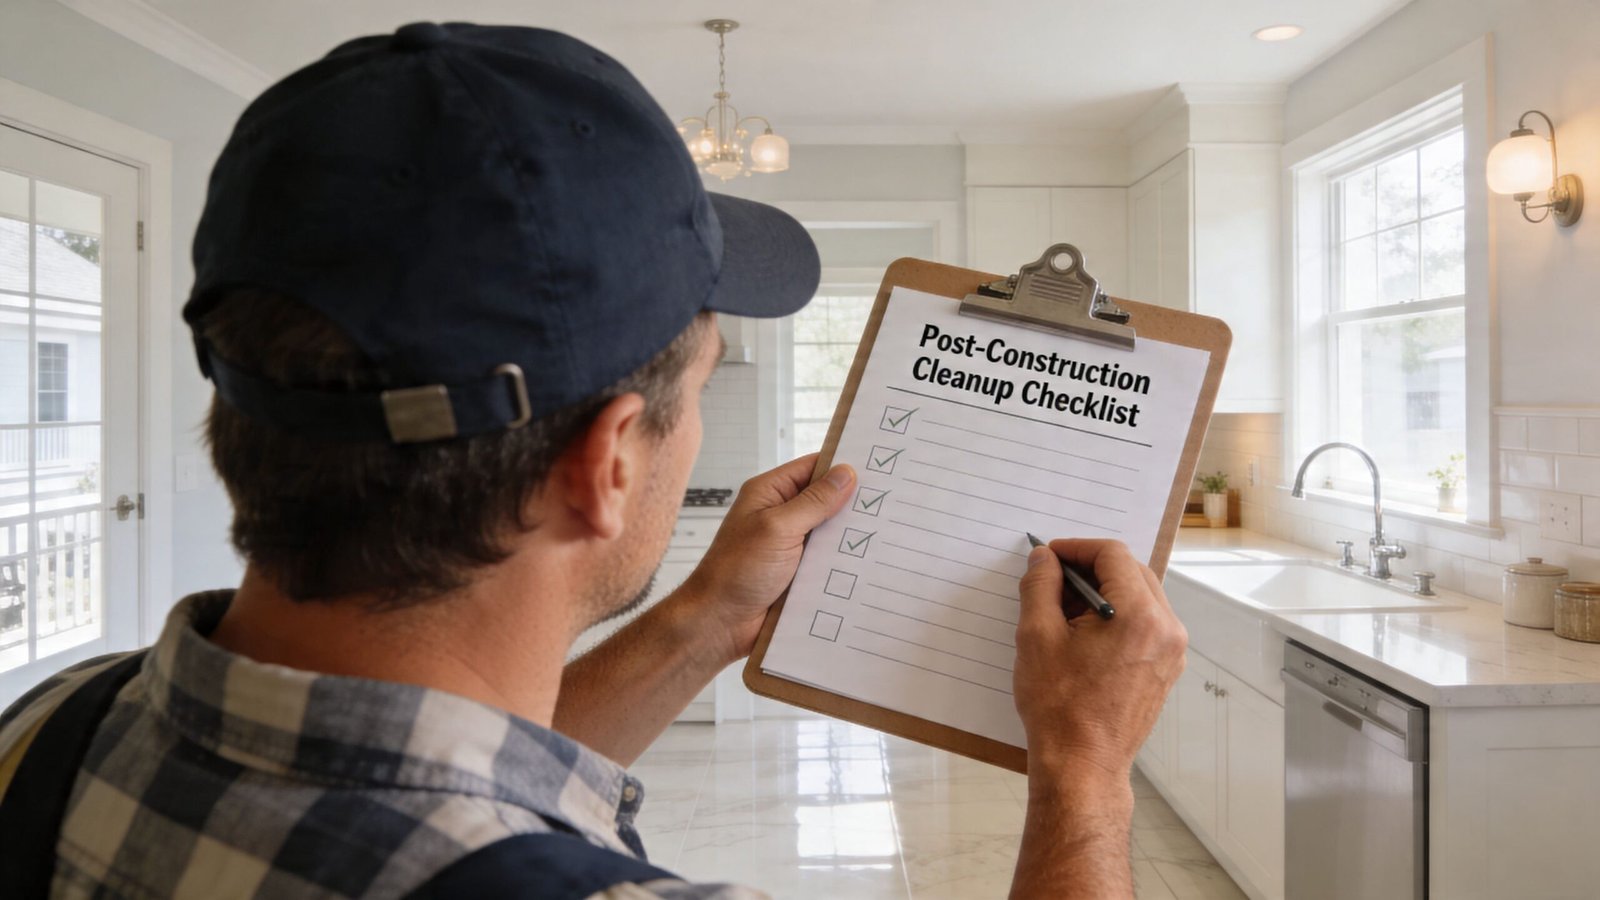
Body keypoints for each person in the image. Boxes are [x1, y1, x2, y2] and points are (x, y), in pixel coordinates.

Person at [0, 22, 1186, 900]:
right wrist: (1083, 772)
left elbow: (459, 774)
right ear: (609, 460)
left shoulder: (50, 727)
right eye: (704, 382)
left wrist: (711, 616)